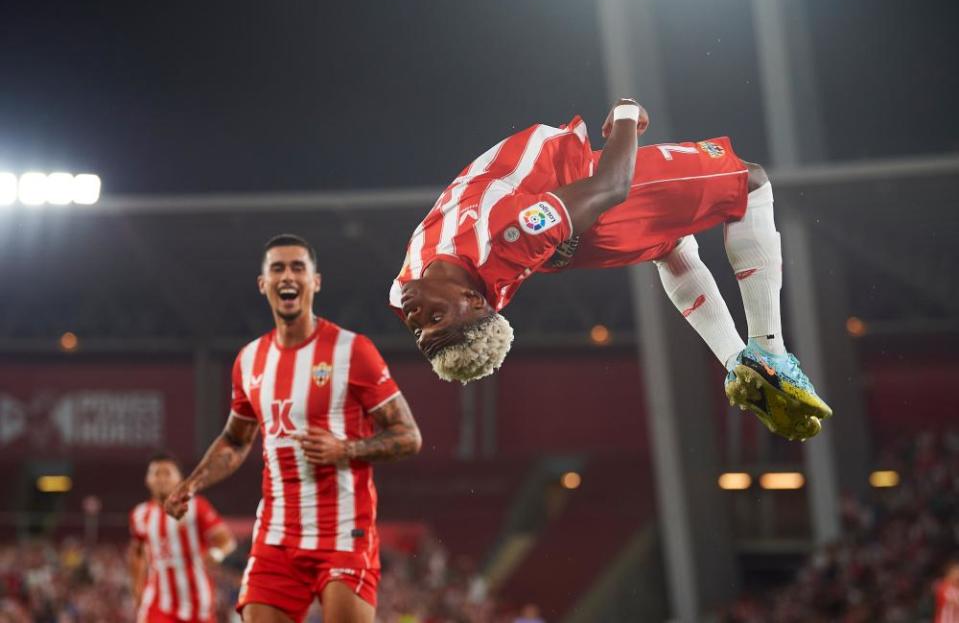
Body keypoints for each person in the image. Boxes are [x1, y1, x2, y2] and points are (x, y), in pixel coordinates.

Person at [390, 99, 831, 440]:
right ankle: (769, 355)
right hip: (579, 191)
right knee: (749, 182)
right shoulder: (511, 232)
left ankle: (736, 363)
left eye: (420, 329)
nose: (415, 317)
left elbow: (451, 308)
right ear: (470, 301)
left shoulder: (403, 289)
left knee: (670, 242)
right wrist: (626, 114)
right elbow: (611, 186)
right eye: (435, 319)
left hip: (556, 222)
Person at [166, 234, 422, 623]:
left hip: (343, 533)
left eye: (298, 267)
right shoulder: (249, 360)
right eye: (278, 268)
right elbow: (236, 440)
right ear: (263, 283)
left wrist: (346, 449)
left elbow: (409, 436)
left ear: (315, 281)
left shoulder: (352, 350)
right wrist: (192, 484)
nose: (288, 276)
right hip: (276, 536)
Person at [129, 452, 236, 623]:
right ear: (147, 479)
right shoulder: (140, 514)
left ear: (179, 478)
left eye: (167, 473)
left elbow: (226, 541)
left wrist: (217, 554)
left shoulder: (197, 507)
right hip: (159, 602)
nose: (161, 478)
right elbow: (137, 553)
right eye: (156, 473)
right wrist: (137, 589)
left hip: (198, 602)